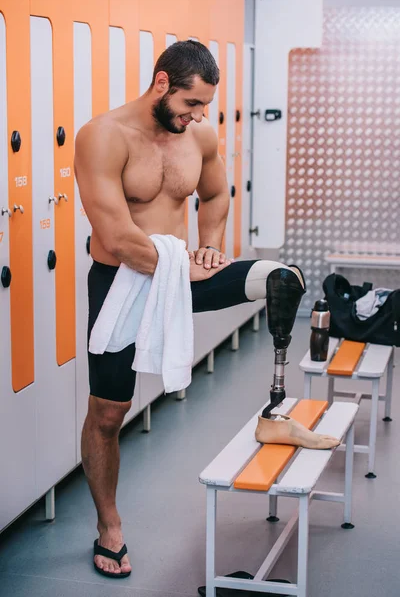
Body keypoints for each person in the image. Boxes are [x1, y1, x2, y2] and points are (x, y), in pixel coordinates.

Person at [74, 40, 336, 580]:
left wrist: (211, 245)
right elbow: (118, 235)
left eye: (205, 108)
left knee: (282, 281)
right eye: (192, 104)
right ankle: (109, 526)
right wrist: (179, 267)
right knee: (107, 413)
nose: (198, 117)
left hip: (184, 270)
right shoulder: (102, 136)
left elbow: (215, 195)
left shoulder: (199, 135)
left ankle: (276, 411)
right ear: (163, 83)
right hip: (126, 278)